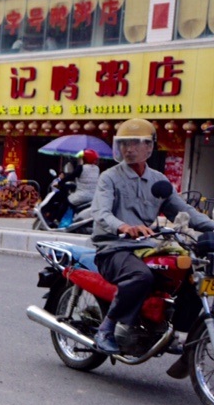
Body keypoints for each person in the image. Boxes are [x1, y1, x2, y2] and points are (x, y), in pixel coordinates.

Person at [89, 119, 214, 357]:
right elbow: (101, 213)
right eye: (124, 144)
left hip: (148, 246)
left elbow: (186, 212)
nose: (128, 149)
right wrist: (124, 226)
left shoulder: (159, 181)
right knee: (141, 276)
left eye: (135, 143)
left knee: (194, 276)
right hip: (114, 248)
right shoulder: (109, 177)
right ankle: (107, 328)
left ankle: (178, 332)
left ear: (149, 147)